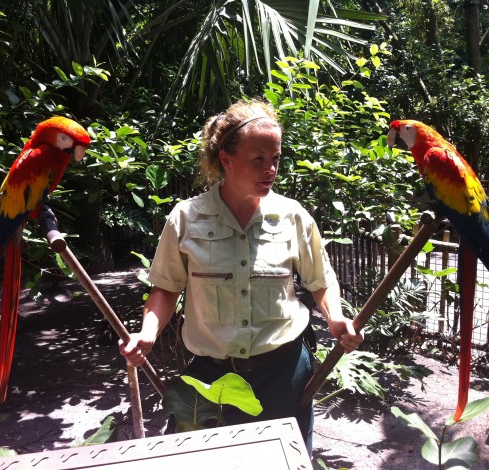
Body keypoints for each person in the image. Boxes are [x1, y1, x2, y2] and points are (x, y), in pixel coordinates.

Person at [119, 98, 364, 453]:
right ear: (226, 159)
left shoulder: (293, 217)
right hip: (208, 377)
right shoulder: (186, 219)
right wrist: (147, 332)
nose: (271, 170)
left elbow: (320, 281)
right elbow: (166, 289)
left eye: (276, 159)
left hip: (283, 373)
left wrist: (336, 318)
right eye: (259, 160)